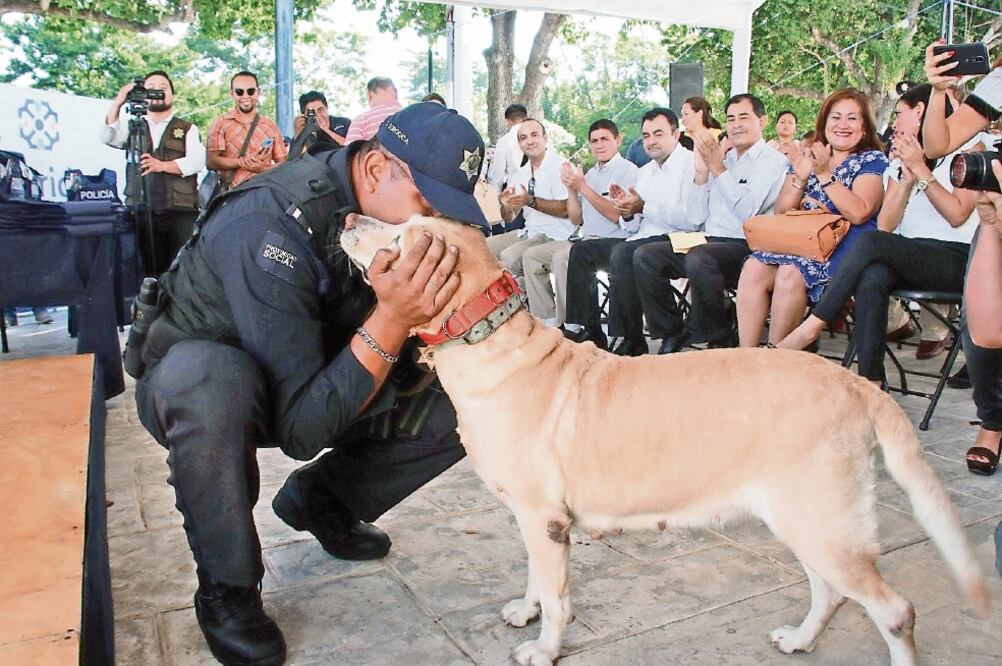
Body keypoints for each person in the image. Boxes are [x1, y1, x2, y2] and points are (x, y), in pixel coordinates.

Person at [133, 102, 488, 665]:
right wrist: (393, 318)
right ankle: (228, 588)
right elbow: (301, 429)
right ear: (375, 172)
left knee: (464, 407)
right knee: (208, 379)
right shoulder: (272, 220)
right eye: (429, 204)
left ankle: (322, 501)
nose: (437, 223)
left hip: (311, 369)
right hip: (213, 390)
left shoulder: (380, 218)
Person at [776, 85, 977, 388]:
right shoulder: (901, 159)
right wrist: (906, 180)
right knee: (873, 274)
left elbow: (957, 214)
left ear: (920, 113)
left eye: (900, 114)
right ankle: (872, 382)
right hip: (909, 253)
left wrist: (921, 170)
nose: (895, 123)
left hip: (958, 258)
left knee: (867, 243)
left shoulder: (971, 148)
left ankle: (811, 327)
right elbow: (885, 226)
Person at [635, 94, 788, 354]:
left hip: (747, 244)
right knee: (645, 255)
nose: (736, 124)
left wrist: (717, 168)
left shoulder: (773, 162)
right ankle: (673, 330)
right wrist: (701, 173)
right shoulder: (723, 159)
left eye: (744, 117)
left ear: (761, 121)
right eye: (731, 119)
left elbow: (747, 211)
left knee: (700, 257)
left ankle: (719, 337)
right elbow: (696, 217)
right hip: (709, 239)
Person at [736, 88, 887, 349]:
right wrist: (801, 176)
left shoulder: (871, 160)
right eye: (835, 117)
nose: (842, 125)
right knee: (753, 268)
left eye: (852, 118)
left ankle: (777, 360)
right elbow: (781, 212)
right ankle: (747, 356)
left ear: (864, 127)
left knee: (790, 273)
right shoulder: (810, 156)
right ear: (824, 122)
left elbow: (860, 212)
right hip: (801, 239)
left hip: (845, 243)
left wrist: (825, 175)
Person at [924, 39, 1002, 479]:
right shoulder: (999, 81)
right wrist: (938, 90)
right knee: (983, 330)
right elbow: (940, 142)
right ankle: (993, 422)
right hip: (996, 207)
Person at [563, 108, 693, 354]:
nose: (651, 141)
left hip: (678, 239)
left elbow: (691, 220)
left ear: (675, 135)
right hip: (641, 237)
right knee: (582, 251)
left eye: (658, 134)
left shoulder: (689, 165)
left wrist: (644, 206)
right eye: (646, 136)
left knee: (626, 252)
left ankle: (638, 336)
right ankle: (591, 329)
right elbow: (632, 225)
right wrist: (627, 210)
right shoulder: (645, 172)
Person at [520, 118, 637, 329]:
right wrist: (572, 190)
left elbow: (614, 215)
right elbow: (576, 219)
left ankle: (576, 324)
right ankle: (548, 321)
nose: (599, 145)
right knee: (532, 256)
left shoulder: (628, 170)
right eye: (594, 141)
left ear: (618, 140)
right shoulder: (590, 174)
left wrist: (582, 187)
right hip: (585, 240)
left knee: (564, 257)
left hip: (614, 241)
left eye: (605, 139)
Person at [101, 70, 206, 275]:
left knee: (180, 269)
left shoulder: (187, 128)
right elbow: (107, 136)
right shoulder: (133, 127)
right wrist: (119, 102)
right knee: (143, 271)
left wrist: (161, 166)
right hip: (140, 211)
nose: (157, 92)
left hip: (179, 211)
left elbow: (197, 162)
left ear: (172, 95)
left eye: (163, 88)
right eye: (151, 89)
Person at [488, 119, 571, 289]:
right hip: (529, 232)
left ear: (545, 138)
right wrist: (505, 205)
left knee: (509, 257)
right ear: (519, 144)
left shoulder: (560, 166)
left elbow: (566, 210)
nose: (530, 141)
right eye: (524, 138)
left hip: (556, 233)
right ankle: (513, 299)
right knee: (483, 247)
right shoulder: (521, 173)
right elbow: (510, 217)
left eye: (535, 135)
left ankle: (534, 306)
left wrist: (531, 201)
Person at [206, 71, 287, 190]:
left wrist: (262, 169)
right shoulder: (221, 123)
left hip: (267, 192)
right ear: (232, 94)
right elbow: (211, 161)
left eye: (250, 91)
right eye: (239, 92)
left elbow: (285, 164)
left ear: (258, 92)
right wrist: (241, 162)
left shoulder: (269, 125)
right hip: (233, 194)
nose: (245, 96)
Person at [344, 77, 402, 144]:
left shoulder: (361, 120)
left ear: (369, 94)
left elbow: (350, 152)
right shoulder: (412, 117)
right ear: (396, 92)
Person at [486, 103, 528, 190]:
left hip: (517, 193)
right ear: (526, 118)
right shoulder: (542, 137)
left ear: (508, 120)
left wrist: (496, 198)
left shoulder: (504, 141)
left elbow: (498, 176)